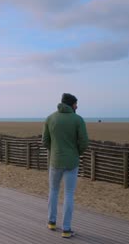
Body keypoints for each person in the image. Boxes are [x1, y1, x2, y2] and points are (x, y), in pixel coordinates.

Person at [42, 93, 89, 238]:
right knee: (68, 194)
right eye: (75, 104)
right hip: (71, 162)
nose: (77, 106)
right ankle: (66, 229)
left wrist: (55, 150)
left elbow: (45, 141)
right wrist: (76, 152)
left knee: (53, 190)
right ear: (70, 104)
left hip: (55, 161)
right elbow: (84, 142)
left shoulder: (50, 118)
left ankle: (51, 221)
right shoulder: (78, 119)